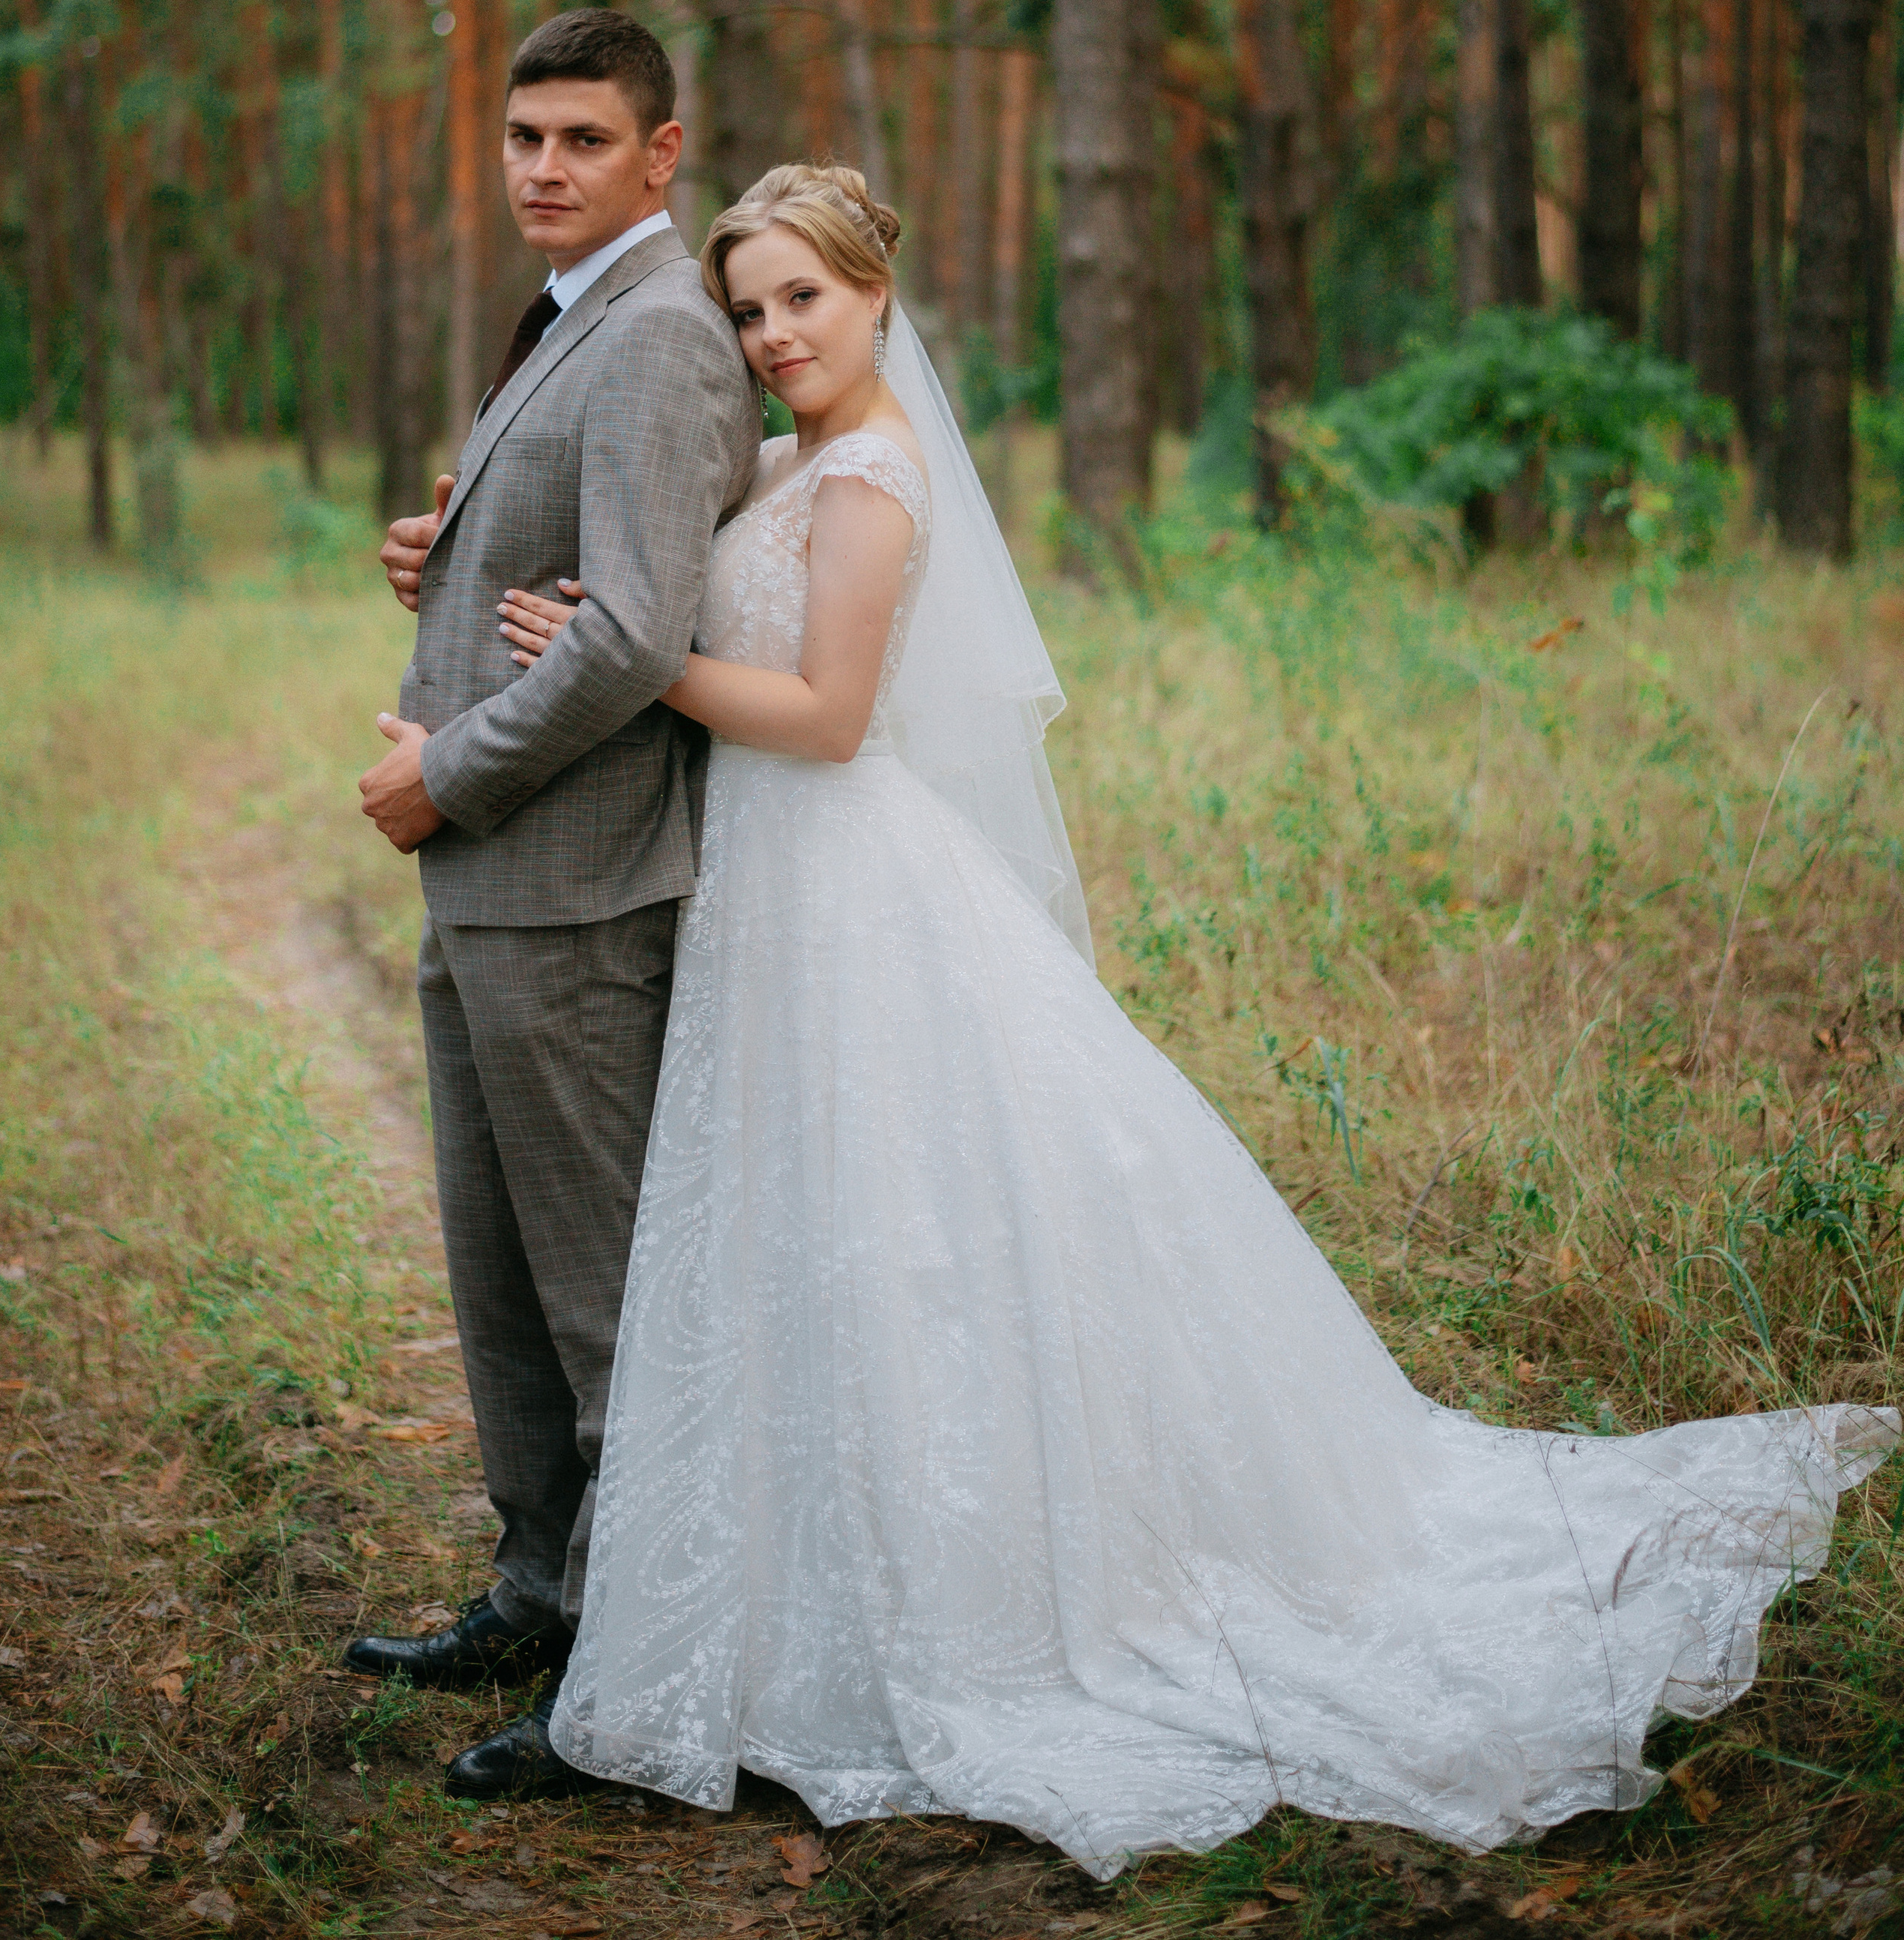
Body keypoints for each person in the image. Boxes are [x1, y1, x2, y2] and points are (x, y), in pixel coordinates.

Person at [483, 161, 1897, 1873]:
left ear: (876, 297)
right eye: (748, 307)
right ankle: (801, 1587)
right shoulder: (783, 463)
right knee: (821, 1243)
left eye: (803, 297)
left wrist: (629, 662)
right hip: (766, 901)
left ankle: (981, 1601)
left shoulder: (866, 478)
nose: (773, 333)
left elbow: (833, 715)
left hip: (843, 879)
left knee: (908, 1233)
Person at [346, 8, 762, 1801]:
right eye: (523, 135)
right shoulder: (568, 315)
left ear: (661, 155)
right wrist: (436, 582)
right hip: (494, 885)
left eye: (581, 138)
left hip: (577, 889)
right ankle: (538, 1585)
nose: (542, 166)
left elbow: (630, 639)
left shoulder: (663, 337)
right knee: (498, 1276)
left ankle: (643, 1687)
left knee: (607, 1308)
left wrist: (448, 769)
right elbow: (561, 581)